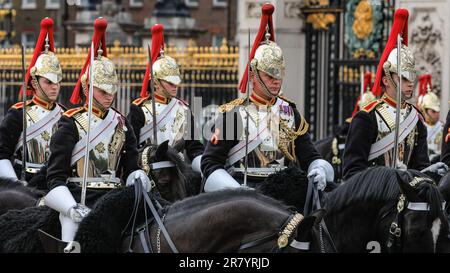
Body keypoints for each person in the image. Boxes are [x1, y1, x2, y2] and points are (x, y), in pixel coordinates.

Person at [200, 3, 333, 192]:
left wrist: (319, 169)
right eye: (270, 76)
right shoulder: (234, 115)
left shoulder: (290, 113)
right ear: (253, 77)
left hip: (285, 192)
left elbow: (309, 156)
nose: (276, 81)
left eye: (278, 75)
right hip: (245, 190)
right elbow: (211, 163)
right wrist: (235, 190)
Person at [44, 18, 151, 245]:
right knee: (72, 236)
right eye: (103, 90)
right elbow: (54, 177)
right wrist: (71, 207)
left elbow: (131, 165)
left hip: (114, 200)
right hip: (78, 198)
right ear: (87, 87)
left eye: (112, 90)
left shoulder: (122, 123)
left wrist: (138, 176)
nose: (109, 95)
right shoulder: (70, 123)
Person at [343, 9, 448, 180]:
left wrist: (428, 172)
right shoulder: (367, 118)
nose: (411, 83)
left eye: (412, 77)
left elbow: (419, 165)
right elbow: (352, 171)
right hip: (374, 199)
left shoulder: (416, 118)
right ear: (386, 80)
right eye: (404, 78)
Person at [127, 24, 203, 174]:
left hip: (178, 173)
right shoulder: (139, 110)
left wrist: (203, 164)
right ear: (155, 82)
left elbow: (194, 148)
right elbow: (131, 149)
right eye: (170, 82)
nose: (175, 86)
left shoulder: (184, 109)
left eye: (176, 82)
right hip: (151, 173)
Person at [0, 17, 64, 183]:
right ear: (35, 82)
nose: (55, 87)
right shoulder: (18, 113)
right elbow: (2, 152)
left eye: (57, 82)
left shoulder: (65, 116)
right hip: (25, 181)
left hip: (56, 182)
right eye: (48, 82)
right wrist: (15, 185)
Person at [417, 74, 443, 162]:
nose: (437, 114)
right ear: (425, 110)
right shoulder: (418, 128)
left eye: (438, 111)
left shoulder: (443, 127)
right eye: (433, 111)